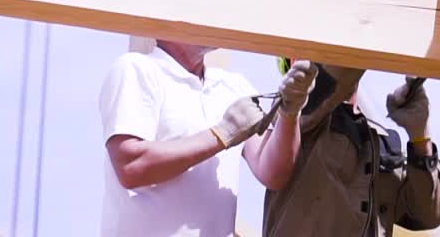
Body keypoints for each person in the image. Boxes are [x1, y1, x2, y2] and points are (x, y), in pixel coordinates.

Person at [98, 40, 316, 237]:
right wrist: (221, 134)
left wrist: (290, 113)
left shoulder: (232, 87)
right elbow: (131, 166)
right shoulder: (137, 69)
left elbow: (273, 173)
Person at [260, 61, 440, 236]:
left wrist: (420, 140)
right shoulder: (290, 120)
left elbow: (427, 214)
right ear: (293, 62)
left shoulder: (378, 142)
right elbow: (336, 75)